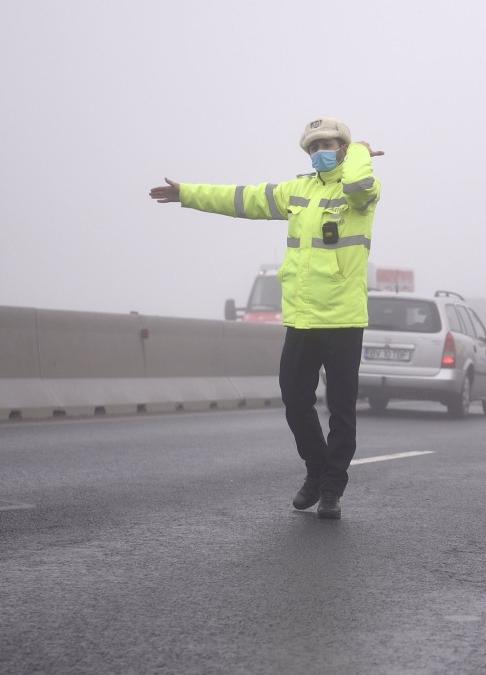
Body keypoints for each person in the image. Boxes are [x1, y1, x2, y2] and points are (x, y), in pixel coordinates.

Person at [149, 118, 383, 520]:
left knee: (341, 410)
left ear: (343, 148)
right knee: (295, 401)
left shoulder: (361, 191)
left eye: (327, 144)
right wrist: (187, 193)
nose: (319, 151)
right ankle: (316, 471)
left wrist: (361, 150)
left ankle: (331, 491)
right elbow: (243, 199)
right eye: (313, 147)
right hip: (303, 318)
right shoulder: (298, 191)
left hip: (343, 320)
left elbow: (360, 185)